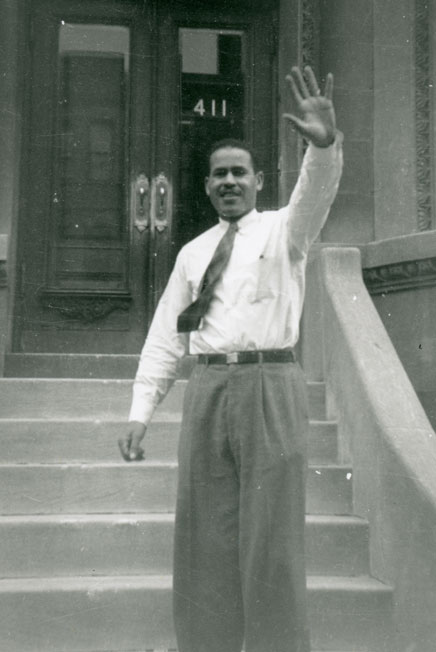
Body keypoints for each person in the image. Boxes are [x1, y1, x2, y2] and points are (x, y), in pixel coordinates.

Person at [119, 66, 343, 652]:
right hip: (208, 392)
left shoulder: (284, 232)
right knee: (204, 538)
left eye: (239, 172)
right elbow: (168, 335)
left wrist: (322, 146)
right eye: (218, 175)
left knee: (269, 542)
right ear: (207, 185)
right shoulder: (193, 253)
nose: (228, 182)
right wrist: (141, 410)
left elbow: (313, 197)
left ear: (258, 180)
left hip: (270, 386)